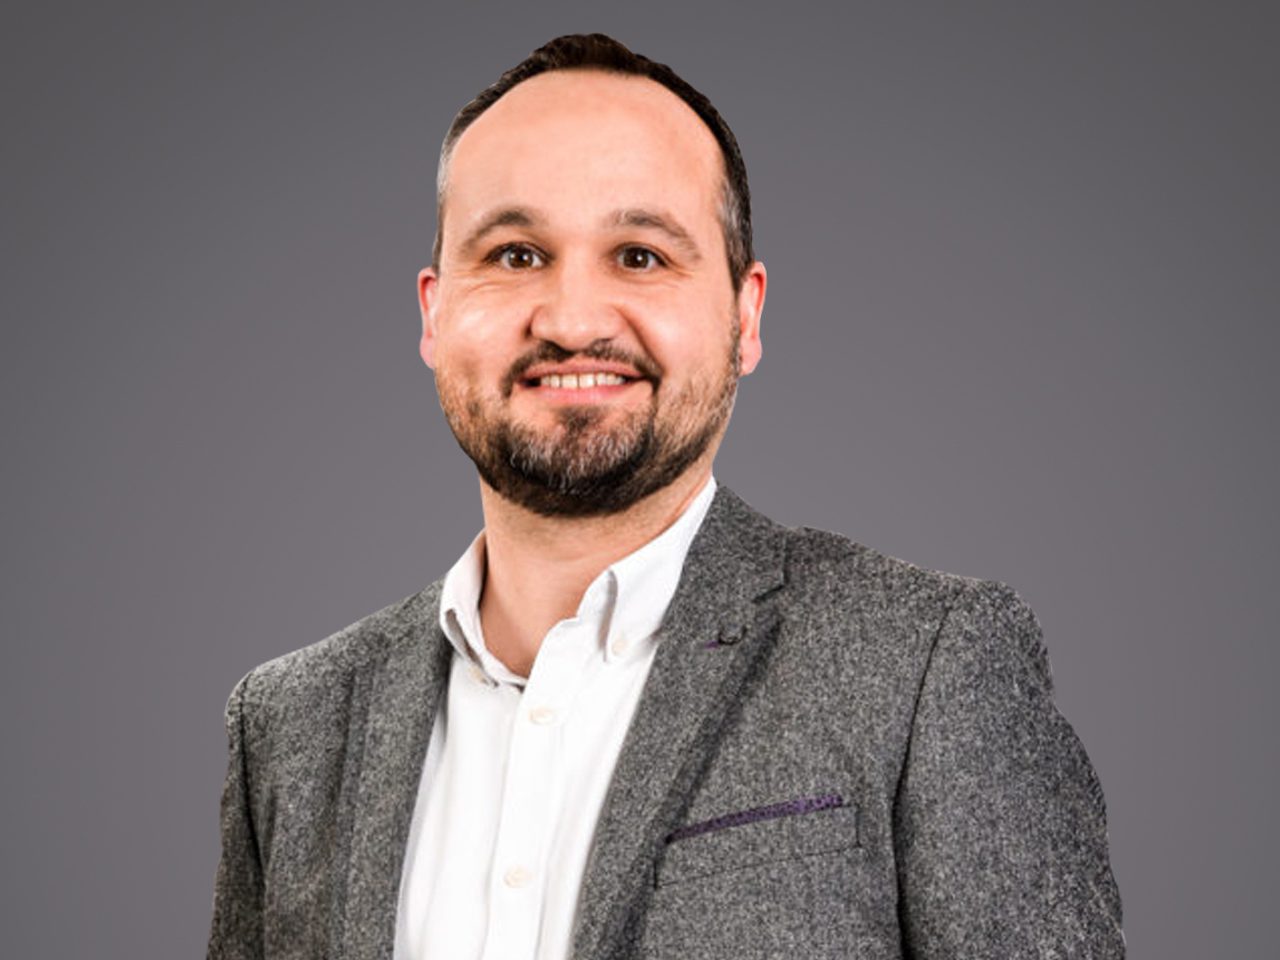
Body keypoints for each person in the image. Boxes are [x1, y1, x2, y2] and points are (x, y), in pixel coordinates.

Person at [207, 33, 1124, 960]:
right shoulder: (289, 726)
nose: (572, 320)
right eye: (517, 254)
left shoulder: (929, 667)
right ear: (435, 315)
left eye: (640, 256)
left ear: (745, 314)